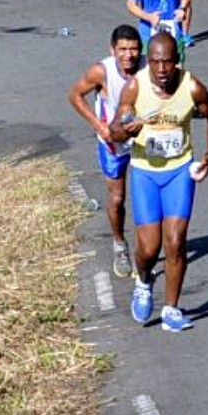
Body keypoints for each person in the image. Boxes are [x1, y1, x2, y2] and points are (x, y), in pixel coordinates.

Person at [106, 32, 208, 333]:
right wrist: (126, 131)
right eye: (156, 62)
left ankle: (171, 308)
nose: (161, 69)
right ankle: (144, 281)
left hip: (179, 172)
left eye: (167, 62)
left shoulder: (191, 86)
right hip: (145, 172)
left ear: (177, 61)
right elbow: (114, 131)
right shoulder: (135, 87)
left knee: (175, 242)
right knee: (148, 249)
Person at [67, 26, 146, 278]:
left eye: (133, 49)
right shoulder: (102, 71)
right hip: (114, 142)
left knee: (147, 198)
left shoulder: (149, 67)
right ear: (112, 50)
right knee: (117, 198)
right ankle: (119, 244)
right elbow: (75, 95)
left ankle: (146, 251)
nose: (128, 55)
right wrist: (98, 125)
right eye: (122, 49)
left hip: (144, 139)